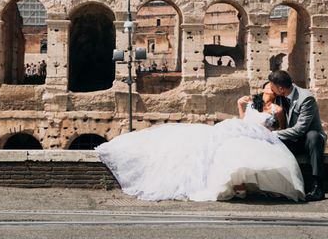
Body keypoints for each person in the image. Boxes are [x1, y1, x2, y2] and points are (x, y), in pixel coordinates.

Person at [96, 80, 305, 202]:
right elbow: (243, 120)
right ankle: (235, 183)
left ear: (276, 93)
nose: (266, 91)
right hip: (241, 129)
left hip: (260, 135)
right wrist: (240, 106)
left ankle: (242, 184)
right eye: (265, 88)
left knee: (240, 151)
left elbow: (282, 127)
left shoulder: (278, 110)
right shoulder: (251, 103)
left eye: (270, 89)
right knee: (223, 146)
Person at [268, 70, 326, 202]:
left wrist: (274, 133)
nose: (271, 89)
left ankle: (318, 187)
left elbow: (300, 129)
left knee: (313, 136)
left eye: (272, 87)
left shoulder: (306, 99)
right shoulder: (278, 97)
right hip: (291, 139)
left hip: (307, 140)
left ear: (281, 88)